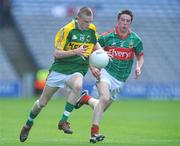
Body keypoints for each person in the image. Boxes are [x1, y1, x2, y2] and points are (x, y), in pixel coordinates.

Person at [19, 6, 103, 142]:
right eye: (86, 22)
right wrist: (75, 51)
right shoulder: (67, 30)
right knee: (42, 103)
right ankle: (28, 124)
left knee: (77, 86)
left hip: (77, 69)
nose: (89, 24)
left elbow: (94, 45)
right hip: (60, 69)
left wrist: (103, 54)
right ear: (79, 18)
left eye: (90, 21)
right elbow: (57, 54)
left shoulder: (91, 29)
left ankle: (63, 121)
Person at [75, 9, 144, 143]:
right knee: (104, 98)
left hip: (121, 79)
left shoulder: (135, 39)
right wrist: (93, 67)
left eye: (127, 21)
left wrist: (138, 67)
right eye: (122, 20)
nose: (124, 23)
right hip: (105, 72)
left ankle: (86, 98)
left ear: (130, 23)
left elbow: (140, 56)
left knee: (101, 107)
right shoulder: (107, 36)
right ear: (118, 21)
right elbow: (91, 48)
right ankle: (94, 134)